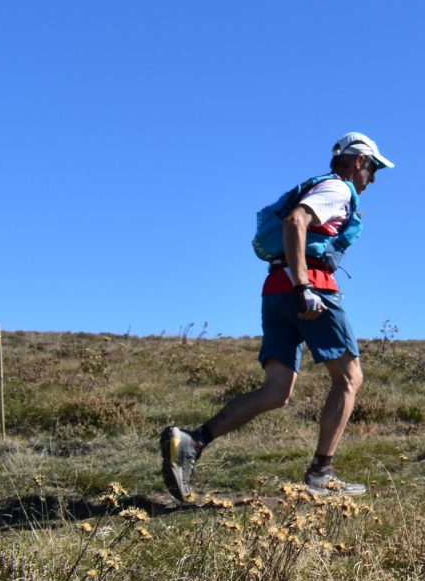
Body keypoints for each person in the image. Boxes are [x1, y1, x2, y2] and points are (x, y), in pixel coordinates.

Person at [161, 132, 395, 501]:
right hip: (309, 287)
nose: (374, 179)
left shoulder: (321, 185)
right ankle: (321, 474)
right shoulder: (337, 189)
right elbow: (296, 220)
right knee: (350, 378)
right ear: (358, 162)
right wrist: (304, 285)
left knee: (276, 391)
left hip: (274, 288)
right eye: (374, 169)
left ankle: (193, 442)